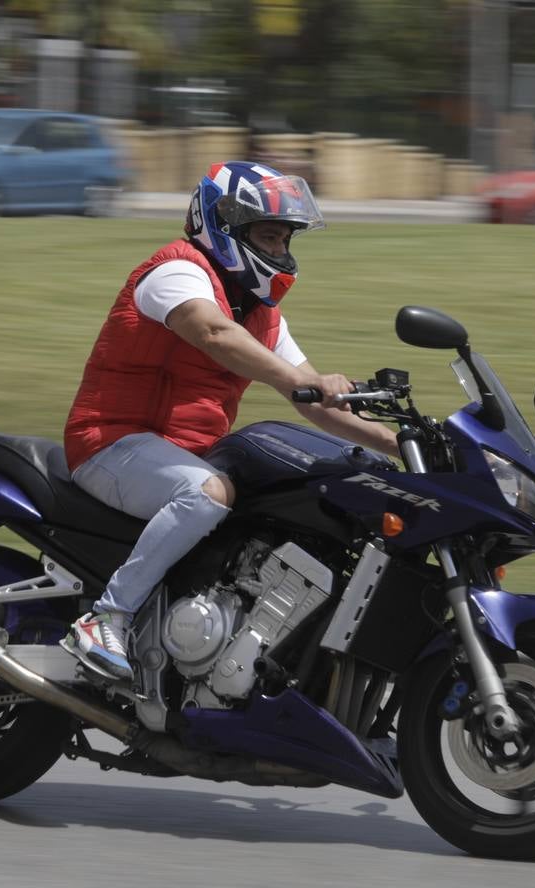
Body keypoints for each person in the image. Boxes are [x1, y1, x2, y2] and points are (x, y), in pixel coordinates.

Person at [60, 161, 399, 682]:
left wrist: (402, 446)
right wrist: (297, 381)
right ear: (225, 227)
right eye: (268, 235)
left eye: (286, 239)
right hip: (111, 442)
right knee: (209, 493)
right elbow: (214, 335)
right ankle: (107, 616)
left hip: (183, 456)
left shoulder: (261, 315)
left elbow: (310, 397)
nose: (281, 252)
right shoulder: (177, 272)